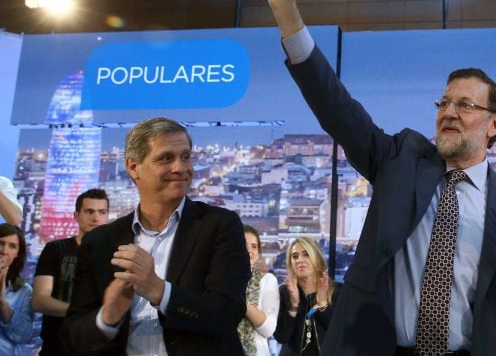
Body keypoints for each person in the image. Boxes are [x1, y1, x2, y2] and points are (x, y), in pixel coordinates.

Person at [263, 0, 496, 354]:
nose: (449, 112)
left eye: (465, 105)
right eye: (444, 103)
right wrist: (287, 12)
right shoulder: (399, 159)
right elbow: (336, 108)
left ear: (495, 124)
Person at [61, 117, 251, 355]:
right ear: (133, 167)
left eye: (185, 156)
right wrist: (107, 317)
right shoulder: (100, 241)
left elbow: (227, 314)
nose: (180, 168)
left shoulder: (220, 225)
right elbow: (73, 337)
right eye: (166, 158)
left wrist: (159, 291)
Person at [33, 188, 110, 355]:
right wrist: (84, 314)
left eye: (102, 212)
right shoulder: (55, 249)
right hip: (57, 345)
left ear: (107, 216)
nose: (96, 218)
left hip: (100, 347)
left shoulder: (117, 254)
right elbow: (40, 300)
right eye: (89, 211)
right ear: (76, 215)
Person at [274, 237, 340, 355]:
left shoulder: (336, 290)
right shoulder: (284, 292)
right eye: (295, 256)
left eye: (306, 254)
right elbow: (282, 337)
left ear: (317, 259)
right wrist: (293, 305)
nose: (300, 260)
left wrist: (323, 304)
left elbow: (338, 335)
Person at [239, 225, 279, 355]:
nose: (250, 250)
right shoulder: (219, 279)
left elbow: (268, 328)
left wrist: (240, 301)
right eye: (244, 245)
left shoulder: (267, 280)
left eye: (254, 246)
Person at [0, 224, 33, 355]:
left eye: (12, 246)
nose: (4, 251)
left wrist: (3, 302)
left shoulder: (24, 290)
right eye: (0, 243)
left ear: (17, 254)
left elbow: (23, 335)